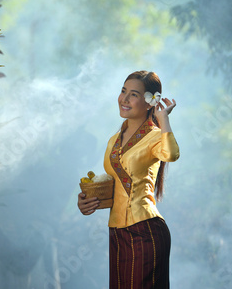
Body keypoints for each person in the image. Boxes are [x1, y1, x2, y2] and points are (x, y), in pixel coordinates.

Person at [77, 71, 180, 289]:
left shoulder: (155, 136)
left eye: (133, 94)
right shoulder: (113, 140)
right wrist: (87, 202)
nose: (124, 99)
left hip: (145, 231)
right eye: (123, 91)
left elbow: (171, 154)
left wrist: (163, 120)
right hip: (117, 233)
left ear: (150, 101)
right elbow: (115, 188)